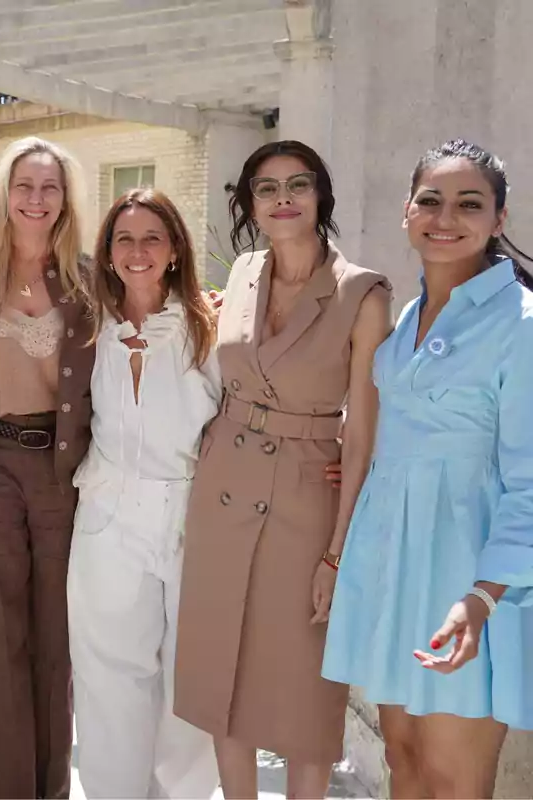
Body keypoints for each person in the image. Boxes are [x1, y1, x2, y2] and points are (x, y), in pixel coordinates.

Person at [173, 140, 392, 798]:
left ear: (321, 195)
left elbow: (364, 435)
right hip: (222, 491)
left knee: (305, 693)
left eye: (298, 184)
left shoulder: (362, 292)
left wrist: (337, 552)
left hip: (306, 504)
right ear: (249, 206)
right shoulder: (241, 272)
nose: (284, 198)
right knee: (222, 676)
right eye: (267, 189)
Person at [323, 140, 533, 799]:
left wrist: (482, 597)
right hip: (392, 569)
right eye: (431, 200)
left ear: (498, 220)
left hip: (465, 579)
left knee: (453, 780)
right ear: (407, 212)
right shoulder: (409, 317)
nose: (447, 217)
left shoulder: (521, 325)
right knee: (405, 765)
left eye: (470, 203)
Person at [66, 188, 220, 799]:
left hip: (191, 515)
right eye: (123, 239)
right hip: (106, 514)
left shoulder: (210, 327)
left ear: (176, 250)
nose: (137, 252)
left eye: (152, 238)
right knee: (108, 680)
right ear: (106, 253)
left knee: (190, 681)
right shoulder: (85, 327)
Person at [0, 136, 93, 799]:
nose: (36, 200)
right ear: (3, 194)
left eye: (50, 187)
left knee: (55, 645)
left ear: (67, 199)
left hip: (65, 474)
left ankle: (51, 790)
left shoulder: (93, 283)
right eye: (24, 186)